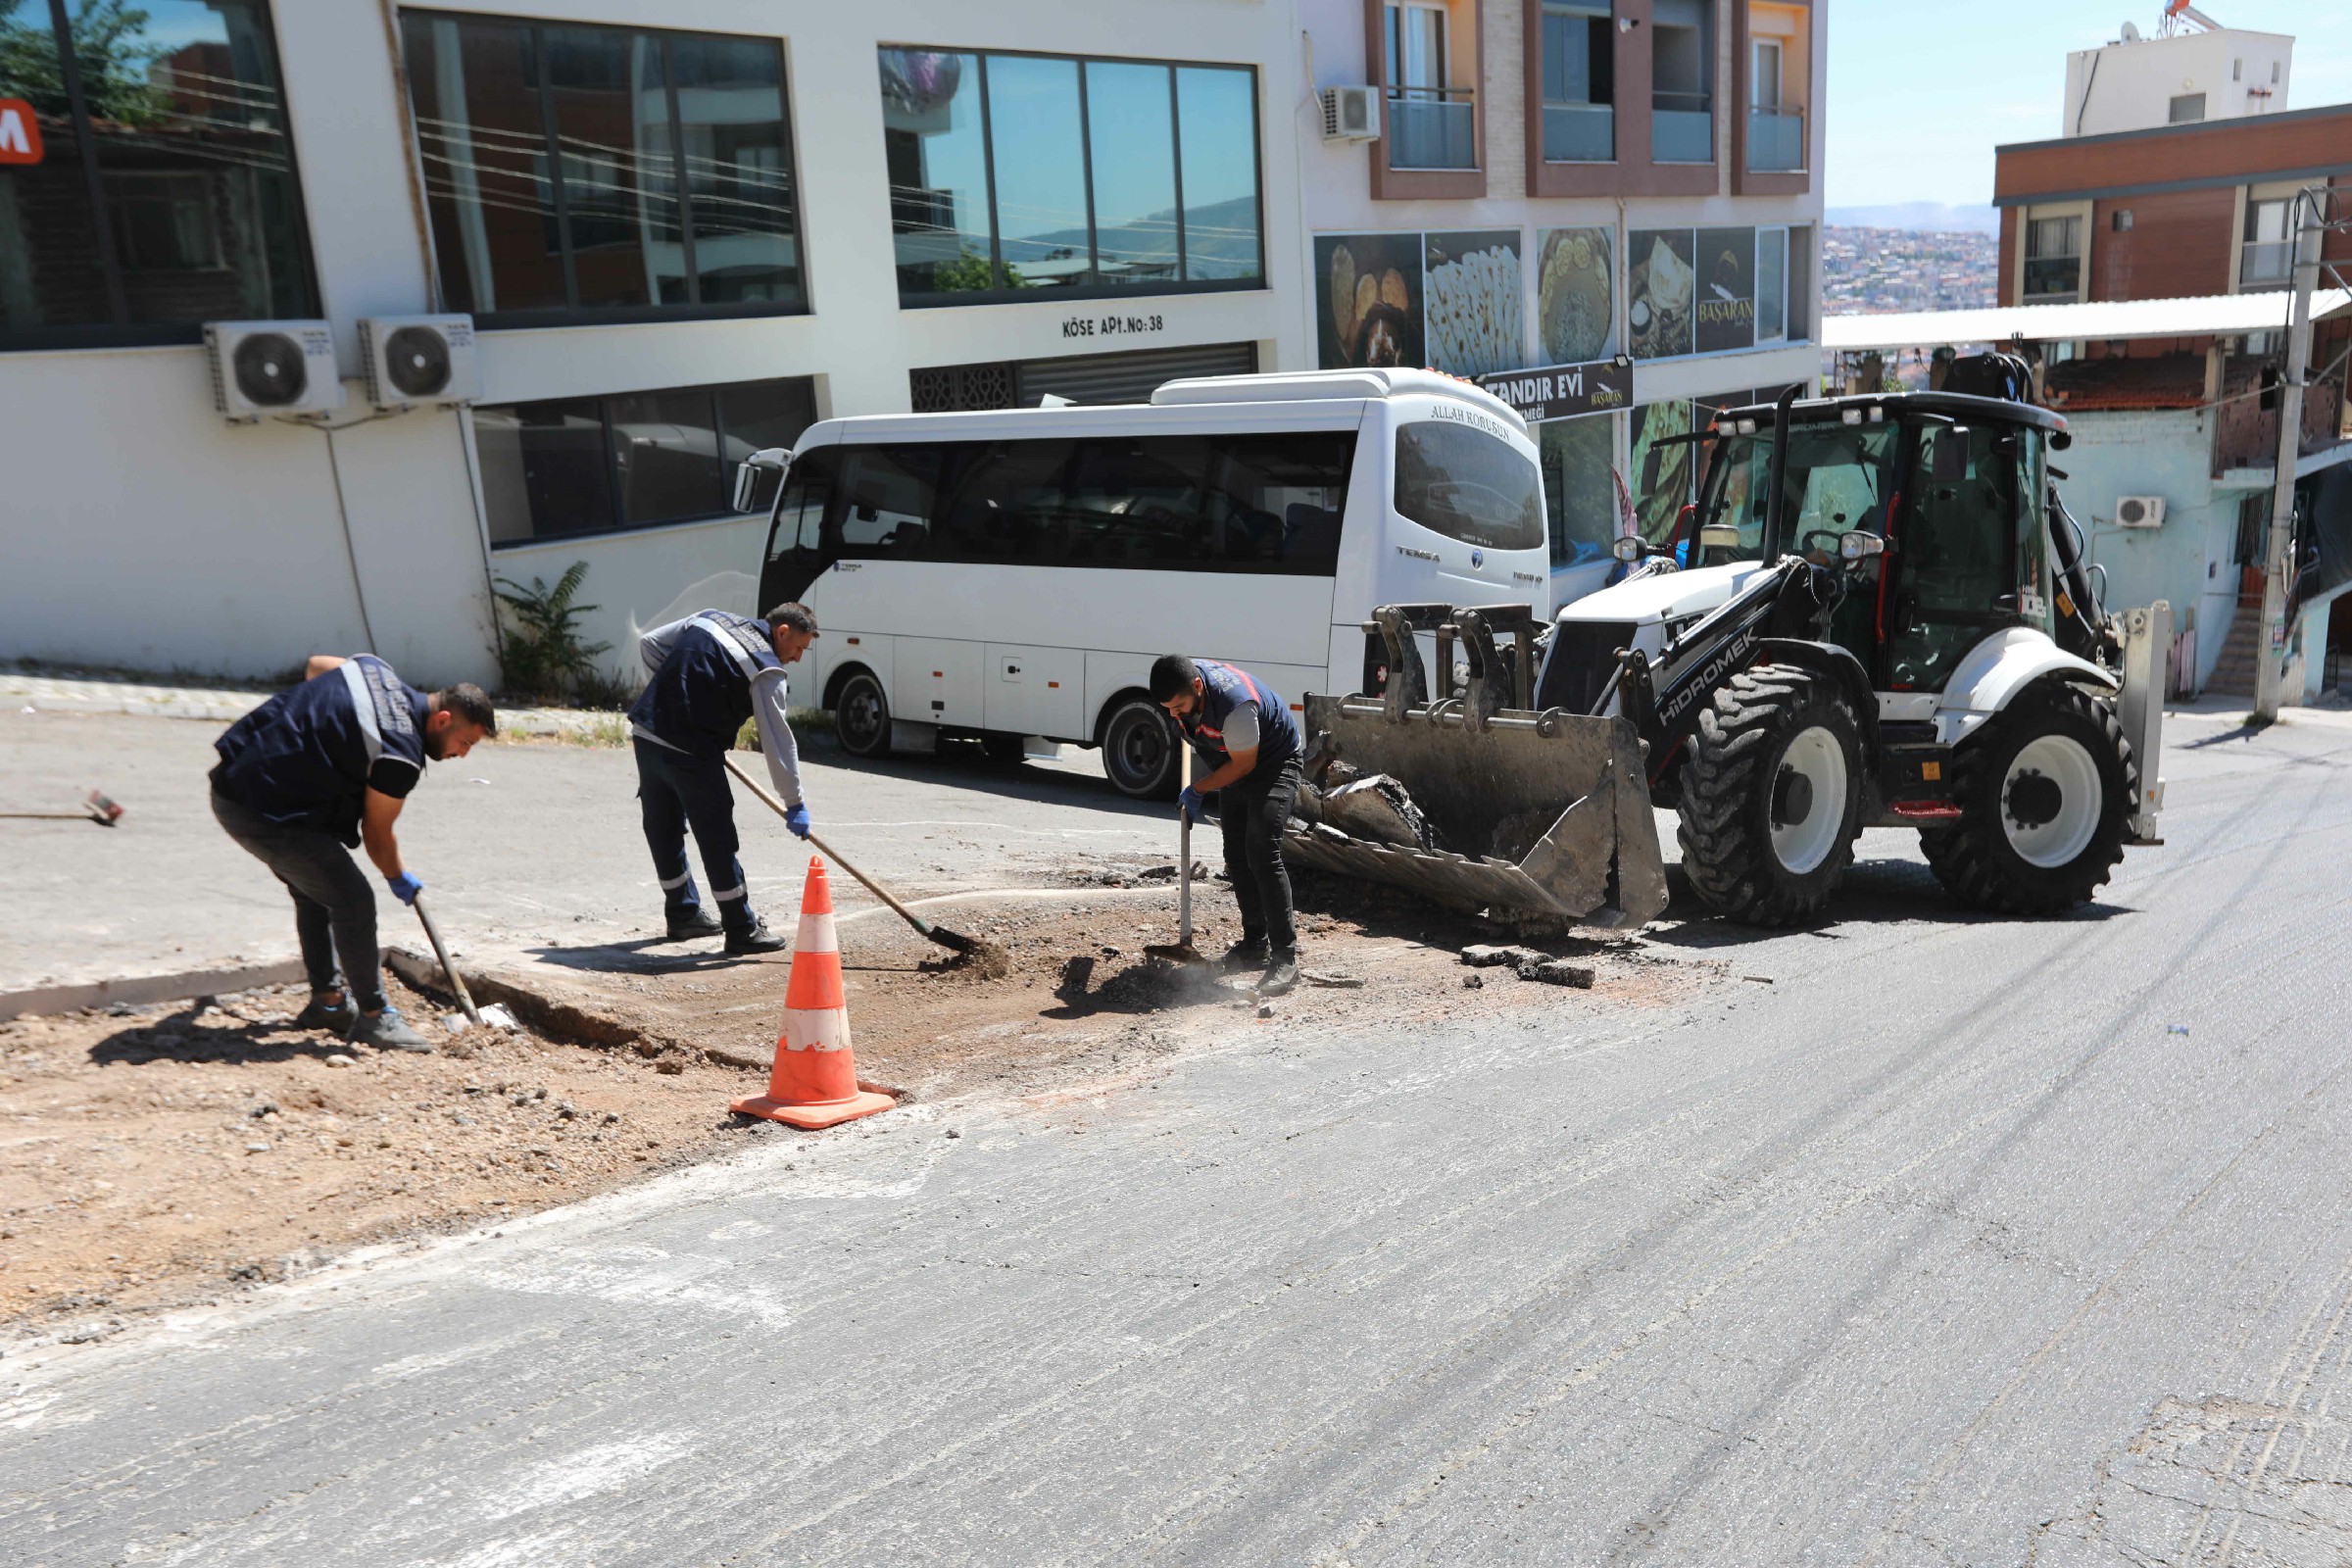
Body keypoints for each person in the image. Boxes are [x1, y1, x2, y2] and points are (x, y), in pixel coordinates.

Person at [210, 655, 497, 1052]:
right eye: (465, 743)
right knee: (353, 899)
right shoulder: (400, 752)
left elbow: (315, 667)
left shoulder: (374, 670)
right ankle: (375, 1018)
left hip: (239, 776)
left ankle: (328, 1004)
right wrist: (398, 876)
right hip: (262, 808)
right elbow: (377, 834)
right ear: (443, 720)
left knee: (316, 887)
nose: (463, 755)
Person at [628, 603, 817, 955]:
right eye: (799, 648)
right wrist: (795, 803)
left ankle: (683, 914)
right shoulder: (766, 668)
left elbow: (651, 644)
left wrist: (675, 698)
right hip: (691, 750)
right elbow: (777, 741)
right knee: (716, 836)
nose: (798, 658)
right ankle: (741, 928)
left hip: (648, 732)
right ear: (782, 632)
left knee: (663, 827)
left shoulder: (710, 617)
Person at [1150, 654, 1303, 997]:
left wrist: (1200, 787)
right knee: (1235, 854)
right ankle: (1254, 945)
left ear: (1199, 687)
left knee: (1262, 851)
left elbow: (1245, 766)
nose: (1173, 714)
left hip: (1273, 762)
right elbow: (1207, 742)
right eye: (1167, 708)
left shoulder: (1237, 708)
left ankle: (1285, 959)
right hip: (1233, 758)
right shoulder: (1186, 688)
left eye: (1178, 706)